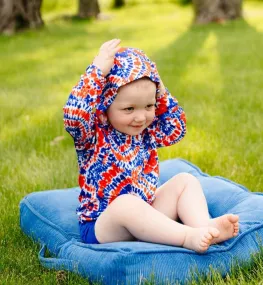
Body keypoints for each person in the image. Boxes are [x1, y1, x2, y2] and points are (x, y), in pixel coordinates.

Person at [63, 39, 239, 253]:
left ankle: (203, 226)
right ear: (105, 108)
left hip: (146, 214)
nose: (140, 117)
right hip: (104, 226)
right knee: (126, 204)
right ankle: (186, 236)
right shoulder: (93, 133)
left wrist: (160, 87)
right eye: (129, 109)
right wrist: (97, 71)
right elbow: (74, 116)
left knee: (185, 180)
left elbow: (176, 128)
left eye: (149, 106)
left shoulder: (146, 131)